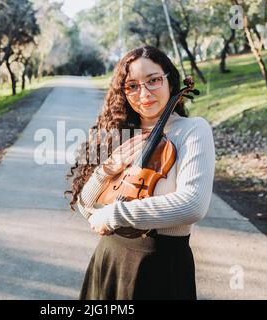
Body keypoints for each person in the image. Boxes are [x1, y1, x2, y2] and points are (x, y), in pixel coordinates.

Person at [65, 45, 215, 300]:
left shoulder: (193, 130)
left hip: (161, 265)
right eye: (132, 86)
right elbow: (85, 206)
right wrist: (108, 168)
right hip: (110, 258)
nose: (144, 93)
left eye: (153, 80)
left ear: (170, 80)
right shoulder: (118, 132)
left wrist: (115, 213)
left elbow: (193, 205)